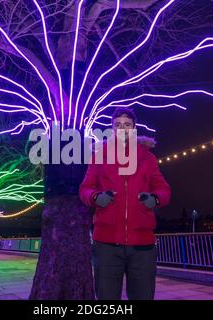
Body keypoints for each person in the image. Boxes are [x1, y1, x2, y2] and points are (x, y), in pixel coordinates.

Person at [79, 108, 171, 300]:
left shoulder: (148, 158)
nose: (123, 129)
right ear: (112, 129)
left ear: (134, 128)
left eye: (127, 125)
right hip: (106, 245)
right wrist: (96, 197)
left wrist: (155, 199)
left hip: (142, 246)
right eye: (118, 125)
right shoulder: (100, 155)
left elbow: (164, 190)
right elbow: (85, 188)